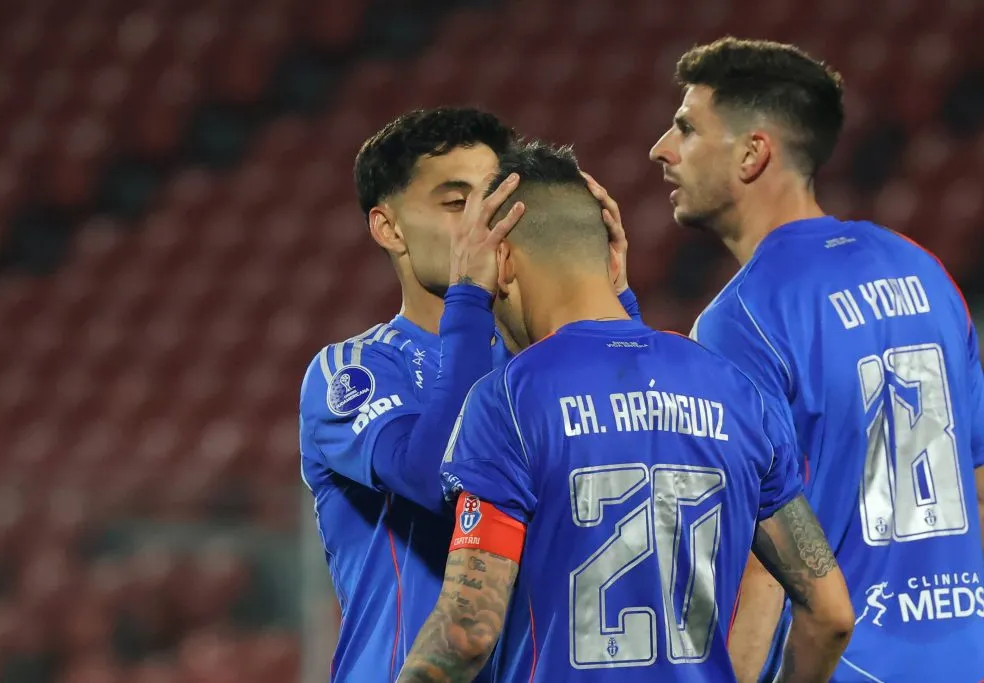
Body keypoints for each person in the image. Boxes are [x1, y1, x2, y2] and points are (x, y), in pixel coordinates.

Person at [396, 141, 854, 683]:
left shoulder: (510, 400)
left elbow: (465, 635)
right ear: (609, 255)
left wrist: (466, 302)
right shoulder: (737, 391)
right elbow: (830, 614)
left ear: (502, 259)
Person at [649, 36, 984, 682]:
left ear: (753, 154)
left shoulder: (740, 320)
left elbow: (762, 569)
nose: (661, 149)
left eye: (687, 128)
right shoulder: (926, 272)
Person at [299, 107, 641, 680]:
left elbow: (641, 444)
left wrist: (611, 298)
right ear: (389, 228)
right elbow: (437, 479)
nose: (486, 226)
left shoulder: (539, 366)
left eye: (497, 204)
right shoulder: (356, 370)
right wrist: (467, 302)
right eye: (458, 204)